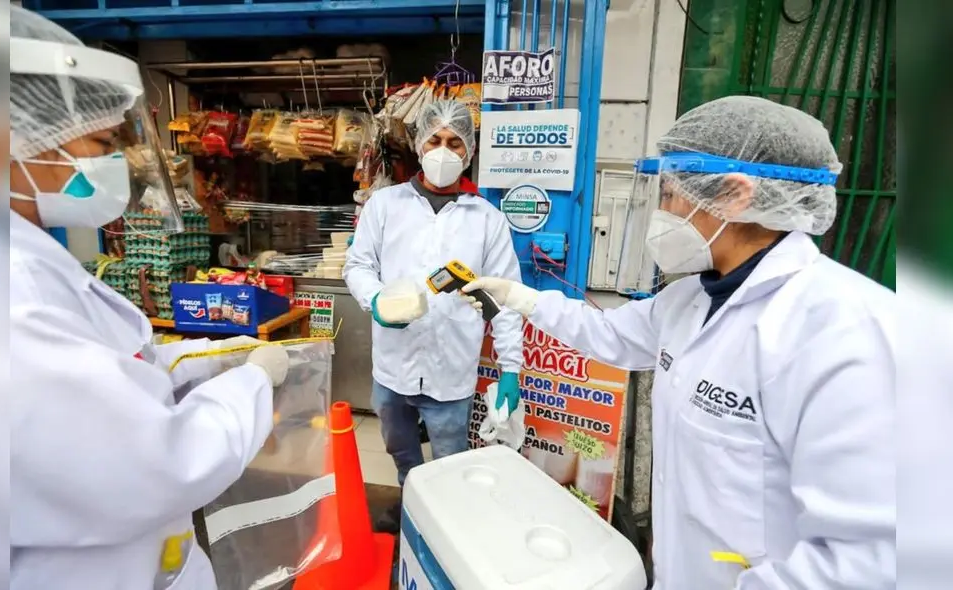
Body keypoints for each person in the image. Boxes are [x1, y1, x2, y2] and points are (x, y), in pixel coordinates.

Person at [464, 96, 895, 589]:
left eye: (670, 194)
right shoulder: (689, 297)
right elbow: (611, 334)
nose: (662, 212)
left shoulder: (845, 332)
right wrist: (522, 298)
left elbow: (865, 560)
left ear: (734, 195)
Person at [9, 7, 291, 590]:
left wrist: (215, 355)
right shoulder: (2, 290)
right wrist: (253, 381)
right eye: (101, 141)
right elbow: (164, 461)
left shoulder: (23, 257)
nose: (111, 161)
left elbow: (108, 369)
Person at [344, 100, 523, 533]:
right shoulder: (384, 205)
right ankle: (408, 500)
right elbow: (358, 266)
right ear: (420, 145)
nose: (444, 151)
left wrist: (511, 369)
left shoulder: (488, 220)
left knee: (449, 457)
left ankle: (446, 527)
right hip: (392, 364)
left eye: (455, 142)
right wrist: (378, 304)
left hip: (451, 369)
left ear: (469, 151)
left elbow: (504, 299)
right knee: (398, 445)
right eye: (435, 140)